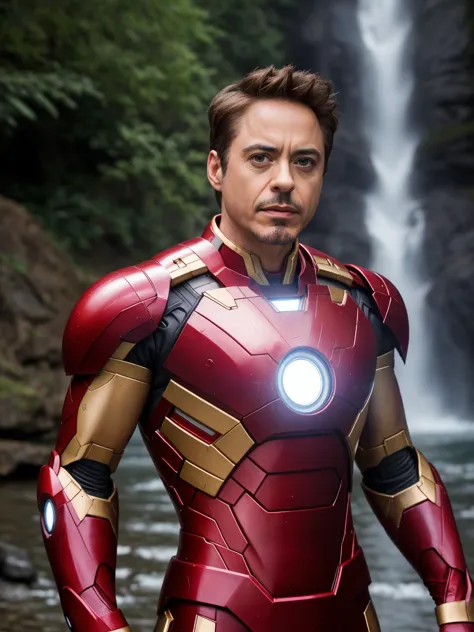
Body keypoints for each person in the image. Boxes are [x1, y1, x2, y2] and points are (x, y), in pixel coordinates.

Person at [37, 65, 473, 632]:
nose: (285, 181)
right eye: (261, 158)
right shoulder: (144, 306)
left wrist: (456, 607)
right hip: (216, 615)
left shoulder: (365, 302)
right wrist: (101, 623)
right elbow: (76, 480)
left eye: (305, 162)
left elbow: (394, 467)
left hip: (350, 612)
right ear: (216, 168)